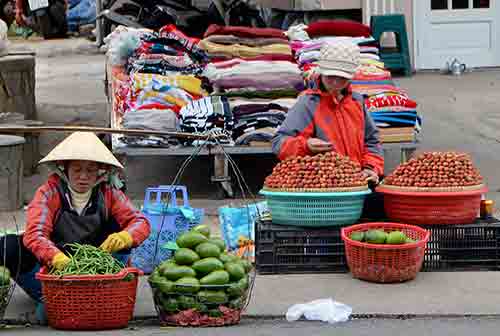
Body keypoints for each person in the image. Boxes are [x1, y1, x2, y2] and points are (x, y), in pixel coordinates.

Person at [0, 131, 151, 321]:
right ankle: (46, 294)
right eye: (77, 169)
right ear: (65, 169)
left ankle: (106, 288)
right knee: (8, 246)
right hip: (57, 265)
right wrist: (58, 259)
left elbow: (141, 222)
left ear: (100, 171)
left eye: (90, 170)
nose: (83, 177)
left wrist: (124, 238)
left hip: (98, 261)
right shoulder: (49, 192)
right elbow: (35, 234)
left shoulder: (108, 193)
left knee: (122, 228)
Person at [272, 41, 385, 217]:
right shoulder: (308, 103)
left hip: (357, 184)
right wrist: (306, 145)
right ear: (322, 72)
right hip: (324, 192)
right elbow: (279, 143)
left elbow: (371, 140)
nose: (335, 82)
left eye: (342, 78)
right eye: (330, 76)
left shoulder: (356, 102)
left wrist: (371, 168)